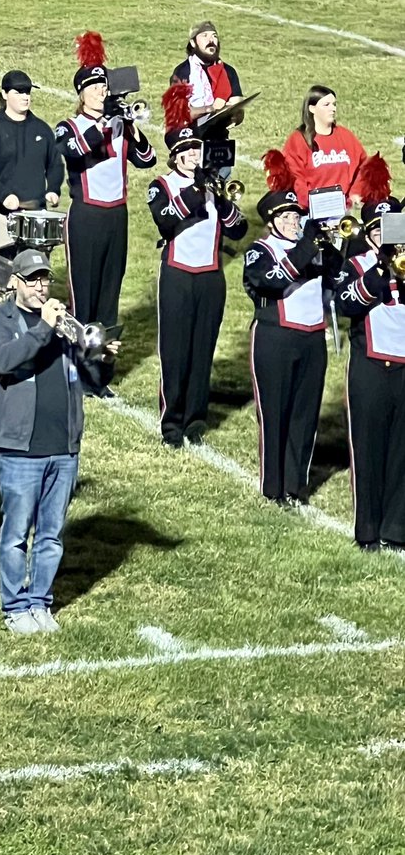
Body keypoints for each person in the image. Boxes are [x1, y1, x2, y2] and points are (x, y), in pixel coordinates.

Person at [0, 248, 118, 634]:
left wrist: (104, 358)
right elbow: (3, 361)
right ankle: (15, 607)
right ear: (16, 282)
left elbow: (93, 381)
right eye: (32, 280)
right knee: (15, 535)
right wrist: (44, 327)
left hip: (63, 447)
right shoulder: (0, 319)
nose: (41, 287)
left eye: (45, 279)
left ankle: (40, 602)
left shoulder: (65, 325)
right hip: (20, 448)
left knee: (51, 534)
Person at [149, 90, 248, 448]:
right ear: (175, 156)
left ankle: (195, 419)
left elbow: (238, 229)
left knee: (202, 349)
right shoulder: (161, 185)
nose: (193, 155)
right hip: (177, 275)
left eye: (196, 149)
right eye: (186, 150)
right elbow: (165, 220)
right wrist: (196, 190)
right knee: (175, 351)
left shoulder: (213, 184)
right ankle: (171, 423)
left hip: (210, 276)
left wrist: (220, 197)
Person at [243, 154, 338, 507]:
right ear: (271, 221)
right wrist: (308, 246)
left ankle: (296, 486)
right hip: (275, 338)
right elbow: (271, 281)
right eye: (284, 216)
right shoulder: (260, 250)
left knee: (304, 414)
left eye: (296, 216)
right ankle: (273, 488)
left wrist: (330, 245)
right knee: (275, 413)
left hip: (313, 338)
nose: (292, 221)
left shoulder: (311, 246)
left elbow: (337, 276)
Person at [56, 31, 156, 335]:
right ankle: (78, 356)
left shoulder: (118, 124)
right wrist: (102, 124)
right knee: (84, 292)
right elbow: (74, 150)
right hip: (87, 215)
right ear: (82, 94)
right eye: (95, 87)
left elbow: (147, 159)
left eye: (104, 87)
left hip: (117, 215)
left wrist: (132, 127)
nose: (102, 92)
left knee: (111, 288)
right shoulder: (69, 126)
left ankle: (104, 358)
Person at [334, 163, 405, 551]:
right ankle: (367, 531)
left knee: (401, 451)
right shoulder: (356, 264)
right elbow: (347, 304)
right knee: (368, 448)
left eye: (391, 230)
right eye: (378, 231)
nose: (385, 237)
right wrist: (381, 269)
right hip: (371, 367)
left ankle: (396, 529)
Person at [0, 70, 63, 253]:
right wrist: (3, 195)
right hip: (0, 216)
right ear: (4, 94)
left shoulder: (41, 129)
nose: (25, 97)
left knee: (35, 268)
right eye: (18, 92)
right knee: (2, 269)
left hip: (35, 217)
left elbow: (55, 163)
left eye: (27, 92)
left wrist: (53, 188)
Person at [281, 85, 369, 210]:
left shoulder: (345, 136)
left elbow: (364, 166)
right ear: (312, 108)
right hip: (311, 211)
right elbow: (295, 177)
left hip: (343, 210)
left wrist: (355, 192)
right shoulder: (298, 140)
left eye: (334, 104)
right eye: (326, 105)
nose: (333, 109)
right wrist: (310, 204)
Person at [170, 21, 244, 127]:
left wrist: (234, 115)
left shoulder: (228, 71)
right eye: (204, 36)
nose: (211, 40)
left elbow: (238, 107)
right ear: (193, 43)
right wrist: (210, 109)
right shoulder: (183, 72)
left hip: (218, 132)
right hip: (191, 132)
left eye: (214, 36)